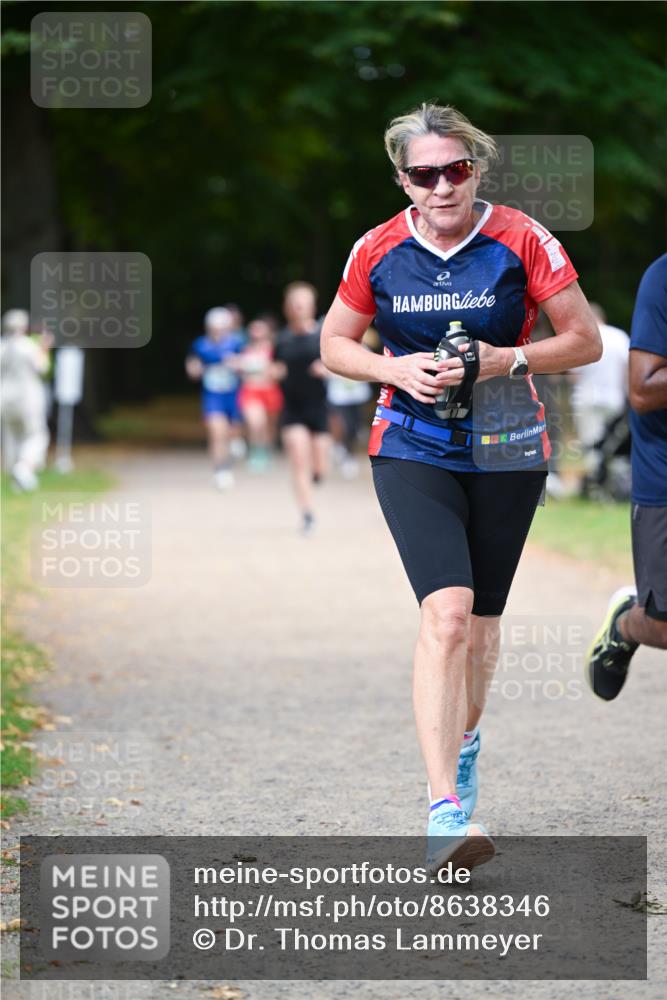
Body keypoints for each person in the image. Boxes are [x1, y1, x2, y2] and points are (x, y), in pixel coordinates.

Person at [320, 103, 601, 872]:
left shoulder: (520, 237)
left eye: (455, 170)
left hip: (508, 447)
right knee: (444, 615)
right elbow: (334, 342)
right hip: (411, 444)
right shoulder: (377, 248)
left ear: (475, 171)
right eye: (424, 175)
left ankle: (465, 739)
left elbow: (584, 340)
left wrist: (507, 359)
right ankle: (444, 810)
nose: (441, 186)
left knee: (479, 626)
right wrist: (391, 367)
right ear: (402, 181)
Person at [586, 254, 667, 698]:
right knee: (663, 625)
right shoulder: (662, 277)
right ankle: (627, 624)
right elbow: (642, 389)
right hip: (663, 475)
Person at [274, 282, 331, 534]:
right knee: (299, 459)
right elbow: (274, 365)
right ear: (287, 308)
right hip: (292, 408)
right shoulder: (281, 339)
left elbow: (341, 365)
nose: (298, 308)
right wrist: (274, 372)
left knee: (319, 467)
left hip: (318, 408)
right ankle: (307, 514)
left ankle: (318, 473)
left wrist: (327, 369)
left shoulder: (323, 336)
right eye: (294, 304)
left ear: (311, 306)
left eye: (303, 303)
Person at [569, 302, 630, 497]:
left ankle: (597, 487)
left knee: (591, 445)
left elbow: (574, 375)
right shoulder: (620, 336)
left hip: (587, 398)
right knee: (610, 444)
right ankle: (611, 484)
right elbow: (627, 370)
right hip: (614, 398)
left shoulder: (582, 337)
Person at [186, 307, 244, 490]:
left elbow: (248, 363)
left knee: (232, 435)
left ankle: (232, 452)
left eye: (221, 328)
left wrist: (237, 364)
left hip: (233, 396)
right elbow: (192, 366)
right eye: (214, 328)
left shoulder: (236, 343)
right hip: (212, 396)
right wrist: (195, 369)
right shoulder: (200, 345)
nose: (217, 332)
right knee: (217, 432)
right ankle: (220, 470)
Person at [1, 309, 51, 491]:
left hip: (4, 399)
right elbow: (43, 367)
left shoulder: (2, 346)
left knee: (12, 438)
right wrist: (44, 348)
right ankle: (24, 468)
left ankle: (16, 481)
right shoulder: (28, 346)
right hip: (28, 398)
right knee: (37, 436)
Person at [237, 315, 283, 472]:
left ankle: (266, 451)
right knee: (256, 423)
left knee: (269, 426)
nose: (256, 332)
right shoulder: (245, 349)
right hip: (251, 391)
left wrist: (270, 370)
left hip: (270, 391)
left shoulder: (274, 349)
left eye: (259, 328)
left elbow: (280, 370)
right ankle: (255, 452)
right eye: (253, 328)